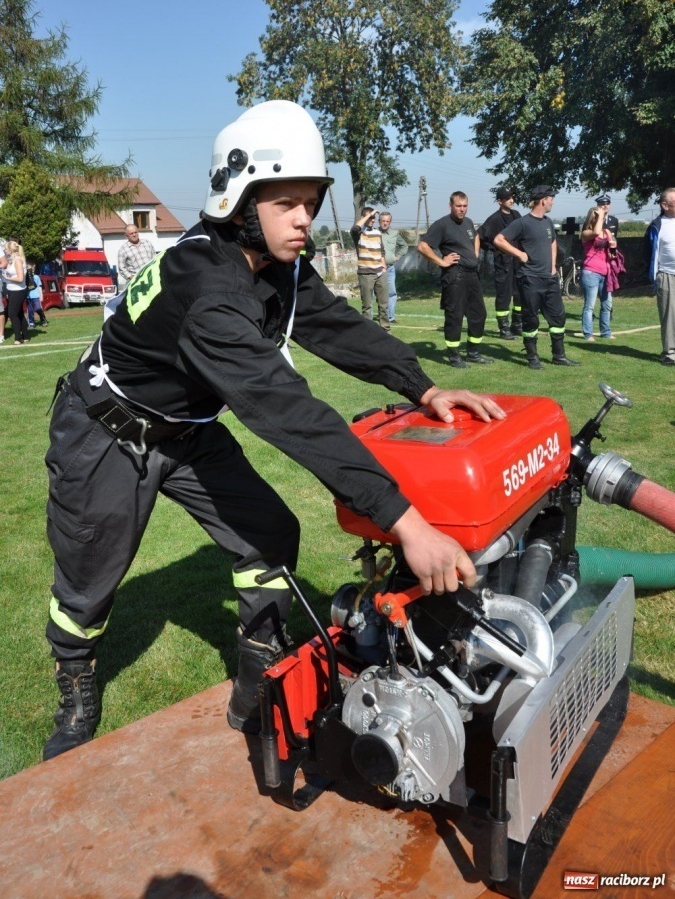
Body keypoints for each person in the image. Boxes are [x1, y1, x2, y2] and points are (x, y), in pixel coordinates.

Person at [42, 100, 506, 761]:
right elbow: (288, 411)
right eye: (286, 202)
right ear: (238, 197)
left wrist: (423, 386)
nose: (303, 219)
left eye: (310, 202)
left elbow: (337, 326)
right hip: (107, 431)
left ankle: (256, 671)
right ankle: (76, 676)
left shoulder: (276, 266)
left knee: (270, 534)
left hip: (187, 429)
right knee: (87, 585)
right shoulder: (208, 294)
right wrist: (405, 520)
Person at [494, 185, 579, 369]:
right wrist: (519, 254)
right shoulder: (522, 223)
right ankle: (532, 358)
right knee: (531, 318)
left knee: (558, 318)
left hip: (549, 279)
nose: (553, 201)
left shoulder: (548, 222)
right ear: (543, 200)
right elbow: (499, 239)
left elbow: (553, 241)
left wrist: (553, 267)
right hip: (530, 279)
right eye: (551, 198)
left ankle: (559, 356)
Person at [417, 191, 493, 368]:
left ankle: (474, 353)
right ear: (450, 205)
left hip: (472, 276)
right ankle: (454, 356)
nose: (462, 209)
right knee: (455, 316)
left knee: (479, 314)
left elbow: (475, 238)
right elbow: (422, 246)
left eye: (465, 206)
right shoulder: (442, 224)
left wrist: (474, 255)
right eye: (458, 206)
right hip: (455, 276)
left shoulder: (467, 222)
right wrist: (441, 262)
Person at [478, 187, 523, 340]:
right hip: (503, 263)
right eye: (508, 198)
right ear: (500, 201)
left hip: (518, 262)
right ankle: (504, 328)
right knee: (504, 295)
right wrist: (493, 249)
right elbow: (480, 237)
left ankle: (517, 325)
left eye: (512, 197)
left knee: (520, 294)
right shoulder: (494, 219)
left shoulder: (517, 216)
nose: (512, 200)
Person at [645, 187, 675, 366]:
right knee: (669, 317)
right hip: (667, 275)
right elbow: (648, 253)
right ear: (665, 205)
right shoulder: (657, 226)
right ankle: (670, 354)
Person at [580, 207, 617, 341]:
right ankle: (588, 334)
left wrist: (613, 247)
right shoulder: (586, 233)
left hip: (606, 273)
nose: (601, 218)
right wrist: (600, 215)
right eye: (598, 216)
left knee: (607, 305)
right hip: (591, 272)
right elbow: (595, 233)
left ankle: (606, 332)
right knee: (589, 305)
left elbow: (612, 254)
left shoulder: (607, 232)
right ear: (592, 218)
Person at [350, 206, 389, 330]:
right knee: (367, 306)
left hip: (380, 273)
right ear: (363, 218)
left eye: (374, 218)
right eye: (370, 217)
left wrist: (383, 268)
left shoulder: (378, 233)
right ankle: (368, 333)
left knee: (383, 306)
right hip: (365, 274)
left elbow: (381, 251)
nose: (373, 219)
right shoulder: (359, 234)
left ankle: (386, 330)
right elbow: (354, 228)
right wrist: (369, 214)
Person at [378, 212, 408, 323]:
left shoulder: (395, 234)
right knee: (374, 293)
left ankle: (390, 317)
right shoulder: (374, 233)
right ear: (379, 221)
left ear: (390, 222)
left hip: (390, 269)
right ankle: (369, 318)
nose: (385, 223)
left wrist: (398, 256)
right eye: (383, 221)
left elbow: (404, 246)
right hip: (375, 268)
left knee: (392, 293)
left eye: (387, 221)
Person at [1, 239, 29, 346]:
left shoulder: (18, 260)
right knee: (19, 313)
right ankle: (25, 335)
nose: (4, 250)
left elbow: (20, 278)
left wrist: (7, 278)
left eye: (6, 249)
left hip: (19, 291)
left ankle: (18, 338)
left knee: (12, 314)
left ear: (10, 250)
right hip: (12, 290)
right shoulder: (11, 259)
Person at [116, 224, 156, 289]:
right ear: (126, 236)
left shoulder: (147, 243)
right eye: (131, 233)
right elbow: (122, 268)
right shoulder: (123, 250)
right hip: (136, 282)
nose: (134, 235)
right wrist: (132, 278)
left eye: (135, 232)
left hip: (151, 278)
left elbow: (155, 259)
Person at [25, 260, 49, 328]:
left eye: (30, 268)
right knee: (30, 310)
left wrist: (41, 296)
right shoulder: (25, 279)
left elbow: (39, 286)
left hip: (36, 296)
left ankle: (43, 319)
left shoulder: (36, 277)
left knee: (38, 308)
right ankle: (32, 323)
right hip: (28, 297)